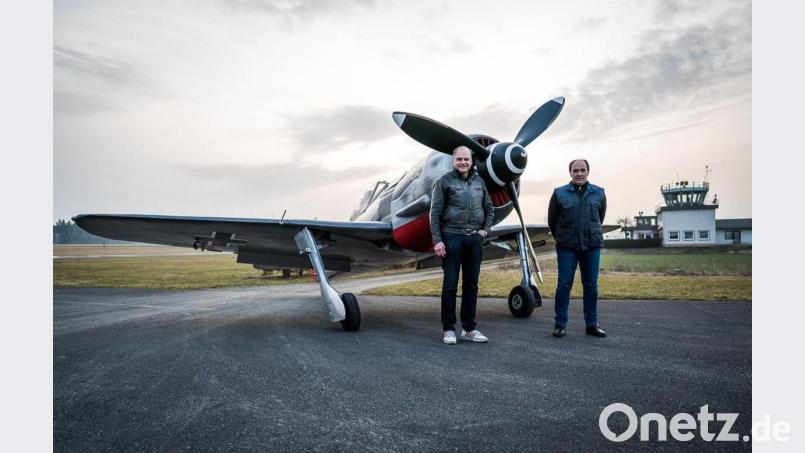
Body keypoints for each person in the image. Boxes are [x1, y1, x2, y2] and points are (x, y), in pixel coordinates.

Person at [430, 146, 495, 345]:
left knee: (471, 286)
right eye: (459, 159)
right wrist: (438, 240)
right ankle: (448, 329)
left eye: (466, 159)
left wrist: (485, 230)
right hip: (452, 238)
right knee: (449, 285)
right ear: (453, 161)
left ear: (471, 160)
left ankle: (469, 329)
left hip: (474, 239)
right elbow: (435, 214)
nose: (463, 163)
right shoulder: (444, 182)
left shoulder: (479, 182)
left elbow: (489, 208)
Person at [547, 159, 608, 338]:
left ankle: (592, 324)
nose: (579, 173)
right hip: (567, 247)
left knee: (591, 286)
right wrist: (564, 236)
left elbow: (600, 217)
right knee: (564, 285)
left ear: (588, 171)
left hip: (592, 246)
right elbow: (552, 221)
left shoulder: (599, 193)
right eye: (576, 170)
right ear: (570, 173)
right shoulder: (559, 194)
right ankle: (560, 324)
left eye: (582, 170)